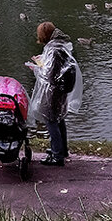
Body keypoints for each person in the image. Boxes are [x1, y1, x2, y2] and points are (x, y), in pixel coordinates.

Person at [27, 21, 83, 166]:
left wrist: (37, 68)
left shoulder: (54, 49)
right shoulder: (60, 45)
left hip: (54, 91)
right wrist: (43, 61)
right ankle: (62, 150)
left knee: (51, 121)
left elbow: (50, 75)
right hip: (62, 89)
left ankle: (57, 156)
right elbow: (58, 68)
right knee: (59, 119)